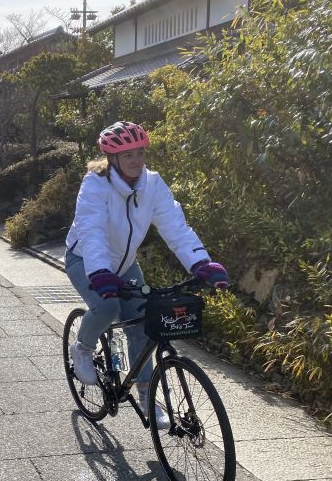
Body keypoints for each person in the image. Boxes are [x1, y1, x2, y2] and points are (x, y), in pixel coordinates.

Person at [64, 121, 229, 429]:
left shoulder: (152, 184)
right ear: (112, 158)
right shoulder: (95, 184)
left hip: (125, 265)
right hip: (85, 258)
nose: (136, 161)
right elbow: (91, 229)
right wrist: (99, 270)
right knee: (107, 307)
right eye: (128, 155)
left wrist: (200, 263)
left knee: (143, 325)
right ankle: (83, 347)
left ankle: (146, 396)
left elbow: (175, 226)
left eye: (140, 153)